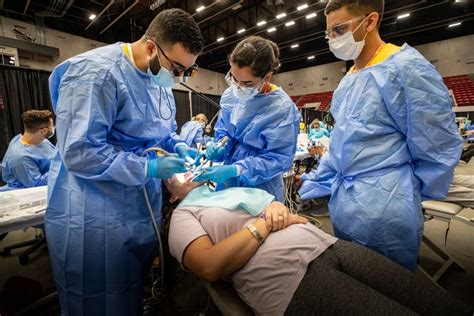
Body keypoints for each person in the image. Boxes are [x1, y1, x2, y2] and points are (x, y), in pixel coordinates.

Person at [45, 9, 204, 315]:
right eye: (177, 67)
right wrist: (149, 168)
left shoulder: (158, 81)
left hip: (136, 205)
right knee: (95, 295)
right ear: (150, 47)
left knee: (128, 290)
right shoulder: (95, 73)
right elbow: (80, 152)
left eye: (188, 71)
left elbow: (162, 131)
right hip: (91, 208)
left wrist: (180, 145)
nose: (179, 77)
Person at [299, 0, 463, 271]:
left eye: (339, 29)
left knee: (390, 291)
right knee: (354, 285)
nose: (333, 39)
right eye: (329, 33)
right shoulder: (350, 77)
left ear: (371, 21)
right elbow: (344, 142)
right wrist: (318, 177)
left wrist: (405, 189)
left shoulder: (405, 67)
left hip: (386, 205)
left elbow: (437, 142)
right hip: (344, 204)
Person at [166, 178, 473, 316]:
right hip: (288, 279)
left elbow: (285, 212)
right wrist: (262, 224)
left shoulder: (232, 192)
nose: (188, 168)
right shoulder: (184, 215)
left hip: (326, 244)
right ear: (171, 194)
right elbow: (209, 265)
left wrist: (276, 210)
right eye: (176, 172)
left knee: (430, 299)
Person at [195, 36, 300, 202]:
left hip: (261, 187)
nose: (238, 87)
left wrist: (237, 169)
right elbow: (224, 132)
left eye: (247, 83)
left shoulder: (281, 109)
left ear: (267, 77)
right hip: (229, 183)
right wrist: (219, 146)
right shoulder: (232, 95)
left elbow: (278, 159)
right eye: (234, 79)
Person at [1, 110, 55, 189]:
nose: (54, 128)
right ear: (44, 131)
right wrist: (59, 169)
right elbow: (37, 185)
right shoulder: (21, 158)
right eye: (53, 126)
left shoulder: (41, 140)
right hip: (27, 193)